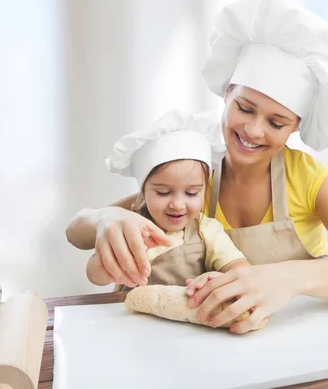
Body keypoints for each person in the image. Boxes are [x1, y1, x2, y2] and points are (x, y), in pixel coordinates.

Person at [66, 0, 328, 335]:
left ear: (297, 126)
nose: (253, 130)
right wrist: (105, 218)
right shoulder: (195, 170)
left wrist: (288, 277)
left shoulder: (309, 179)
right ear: (227, 92)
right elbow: (76, 233)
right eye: (245, 108)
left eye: (277, 123)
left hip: (295, 339)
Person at [85, 109, 250, 291]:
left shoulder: (207, 230)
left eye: (192, 193)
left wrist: (219, 278)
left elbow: (241, 270)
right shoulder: (130, 227)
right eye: (163, 192)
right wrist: (107, 265)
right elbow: (95, 277)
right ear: (143, 191)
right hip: (131, 317)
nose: (178, 205)